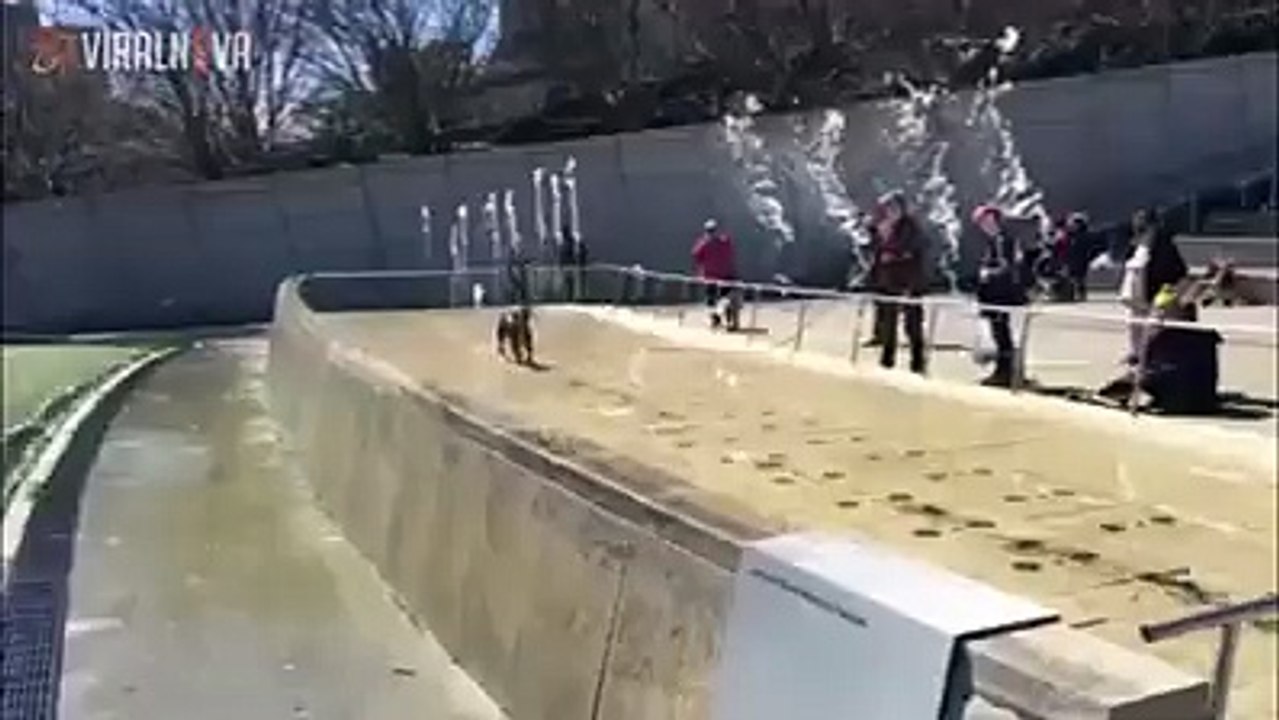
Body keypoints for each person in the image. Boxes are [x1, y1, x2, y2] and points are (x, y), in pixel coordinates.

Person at [1099, 284, 1220, 414]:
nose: (1155, 316)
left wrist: (1134, 371)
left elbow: (1151, 371)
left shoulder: (1162, 337)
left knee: (1136, 376)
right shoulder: (1206, 337)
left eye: (1159, 311)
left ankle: (1112, 395)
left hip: (1177, 400)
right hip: (1205, 399)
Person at [866, 191, 928, 373]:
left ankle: (917, 363)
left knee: (913, 324)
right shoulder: (884, 228)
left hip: (909, 282)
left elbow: (915, 252)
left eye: (893, 208)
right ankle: (887, 360)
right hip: (888, 281)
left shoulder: (911, 228)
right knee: (888, 322)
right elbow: (876, 253)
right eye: (887, 209)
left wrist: (893, 254)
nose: (890, 212)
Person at [1120, 209, 1188, 365]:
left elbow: (1176, 270)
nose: (1136, 223)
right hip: (1136, 294)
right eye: (1136, 219)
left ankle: (1150, 359)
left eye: (1141, 219)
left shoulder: (1163, 243)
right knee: (1134, 326)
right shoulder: (1136, 242)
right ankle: (1136, 354)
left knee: (1154, 328)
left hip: (1155, 292)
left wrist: (1167, 289)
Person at [972, 204, 1027, 387]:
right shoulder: (995, 241)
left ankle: (1005, 372)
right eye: (981, 223)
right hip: (995, 293)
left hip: (1001, 293)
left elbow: (1008, 266)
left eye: (987, 221)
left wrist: (989, 273)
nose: (984, 226)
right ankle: (1004, 370)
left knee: (1001, 332)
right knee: (999, 331)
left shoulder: (1003, 240)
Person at [692, 219, 739, 330]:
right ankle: (728, 321)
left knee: (711, 298)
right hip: (726, 274)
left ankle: (715, 319)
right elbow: (730, 252)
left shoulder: (704, 243)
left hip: (710, 275)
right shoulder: (725, 242)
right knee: (726, 298)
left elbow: (696, 255)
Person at [1061, 212, 1094, 301]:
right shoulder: (1069, 235)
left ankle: (1080, 294)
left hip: (1081, 259)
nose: (1072, 225)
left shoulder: (1084, 236)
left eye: (1075, 223)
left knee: (1079, 277)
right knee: (1070, 277)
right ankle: (1070, 294)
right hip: (1071, 258)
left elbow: (1089, 248)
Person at [557, 225, 588, 301]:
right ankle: (569, 297)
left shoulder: (569, 242)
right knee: (569, 282)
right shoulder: (567, 242)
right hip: (569, 266)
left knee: (571, 282)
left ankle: (572, 297)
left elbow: (581, 251)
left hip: (570, 266)